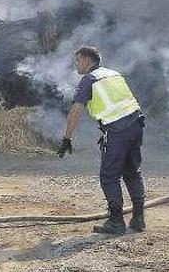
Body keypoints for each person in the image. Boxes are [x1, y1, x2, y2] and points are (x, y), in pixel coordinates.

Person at [58, 46, 145, 235]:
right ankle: (138, 218)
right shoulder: (113, 74)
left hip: (116, 130)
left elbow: (76, 110)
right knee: (132, 171)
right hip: (136, 125)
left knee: (109, 177)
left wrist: (67, 138)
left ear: (87, 61)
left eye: (77, 60)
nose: (76, 65)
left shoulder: (88, 79)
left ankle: (116, 222)